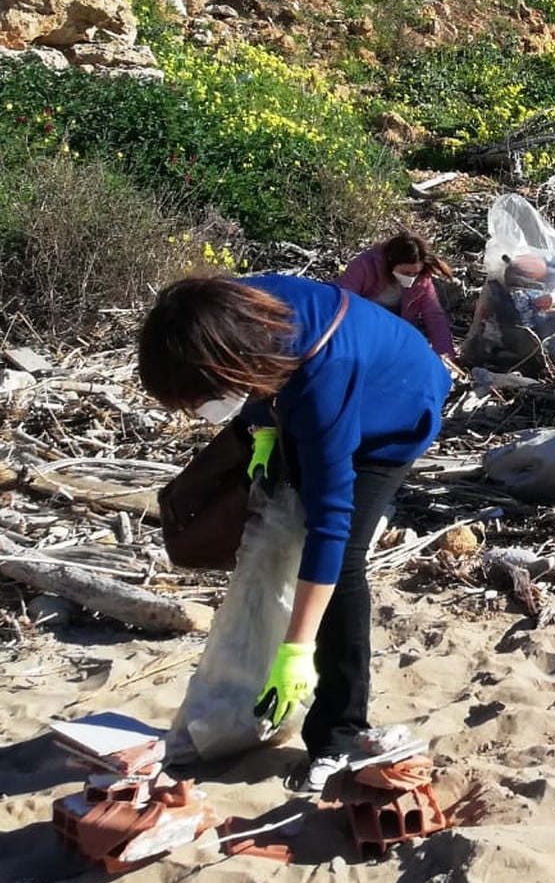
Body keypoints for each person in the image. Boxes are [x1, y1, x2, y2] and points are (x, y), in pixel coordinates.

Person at [137, 273, 450, 793]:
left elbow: (331, 520)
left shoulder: (325, 378)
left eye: (201, 399)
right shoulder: (233, 312)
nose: (200, 413)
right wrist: (261, 427)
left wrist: (296, 651)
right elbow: (265, 370)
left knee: (342, 555)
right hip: (303, 386)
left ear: (223, 367)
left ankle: (339, 733)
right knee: (275, 514)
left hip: (392, 409)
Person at [335, 232, 455, 360]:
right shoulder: (365, 266)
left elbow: (433, 315)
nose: (412, 278)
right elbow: (343, 300)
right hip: (360, 323)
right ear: (391, 261)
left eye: (415, 273)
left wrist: (445, 353)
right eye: (406, 273)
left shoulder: (422, 280)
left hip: (394, 331)